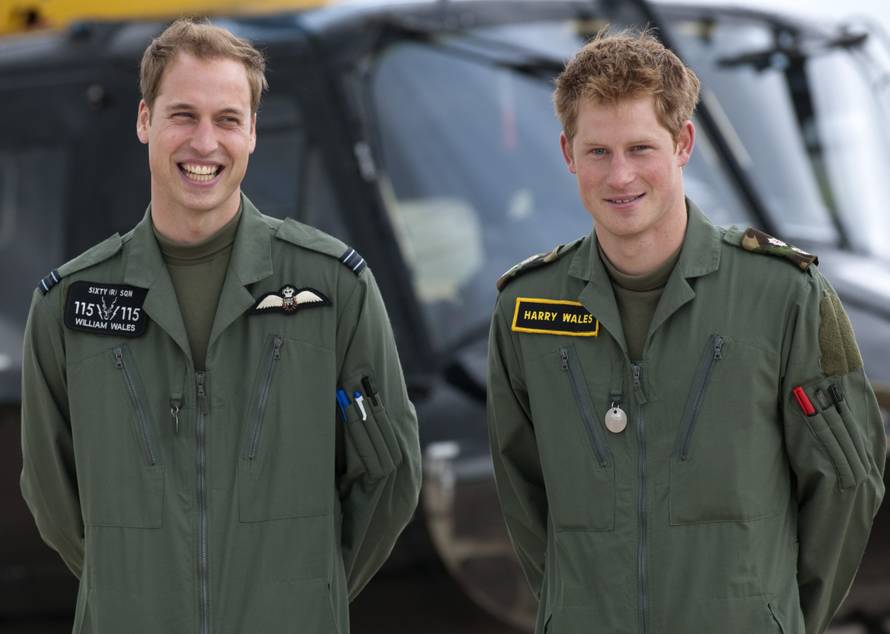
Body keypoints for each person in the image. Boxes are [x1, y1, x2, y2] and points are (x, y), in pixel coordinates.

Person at [20, 18, 421, 633]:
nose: (205, 142)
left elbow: (389, 475)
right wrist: (139, 585)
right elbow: (53, 499)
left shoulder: (336, 288)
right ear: (145, 121)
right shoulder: (68, 307)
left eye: (227, 119)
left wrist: (304, 587)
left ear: (253, 133)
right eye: (183, 115)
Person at [486, 29, 885, 634]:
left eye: (641, 148)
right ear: (568, 153)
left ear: (683, 144)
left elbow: (847, 481)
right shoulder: (527, 307)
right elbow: (521, 492)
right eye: (598, 152)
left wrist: (779, 617)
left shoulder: (784, 294)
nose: (620, 176)